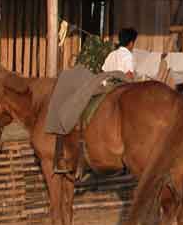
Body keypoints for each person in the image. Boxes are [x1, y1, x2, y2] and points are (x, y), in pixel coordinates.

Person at [49, 28, 139, 174]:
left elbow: (103, 72)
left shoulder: (111, 54)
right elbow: (128, 75)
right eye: (133, 43)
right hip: (121, 88)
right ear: (131, 43)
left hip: (104, 87)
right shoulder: (127, 55)